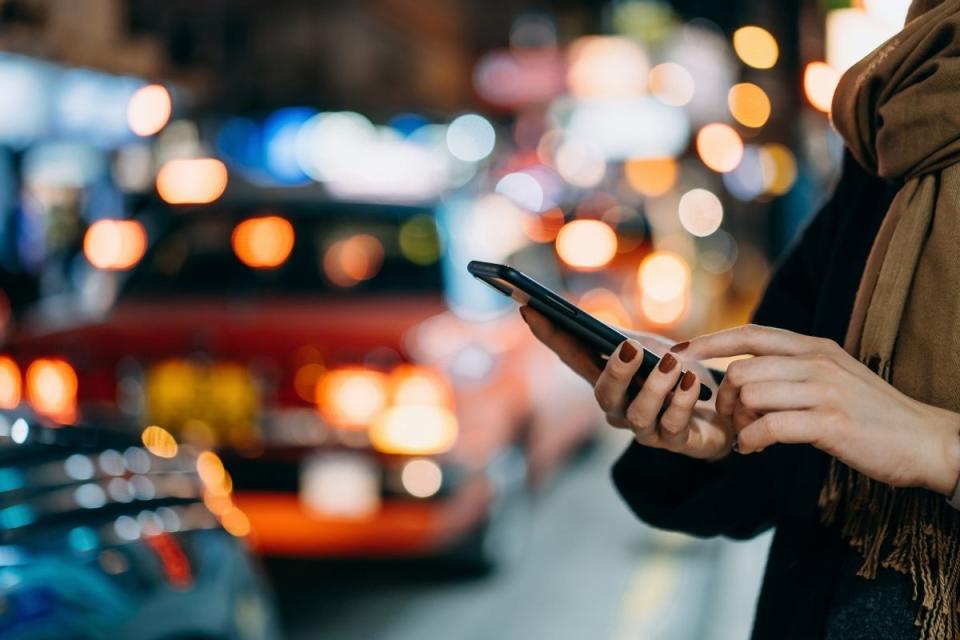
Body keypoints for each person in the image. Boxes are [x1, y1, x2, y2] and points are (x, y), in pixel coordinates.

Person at [519, 1, 960, 638]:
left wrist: (943, 448)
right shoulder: (894, 128)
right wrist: (722, 434)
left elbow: (891, 432)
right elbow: (802, 468)